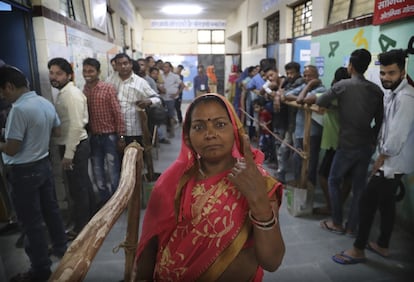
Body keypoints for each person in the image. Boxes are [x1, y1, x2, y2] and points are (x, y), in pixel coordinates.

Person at [132, 93, 285, 281]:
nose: (210, 134)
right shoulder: (172, 182)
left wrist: (259, 202)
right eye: (199, 127)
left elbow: (272, 261)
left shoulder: (256, 181)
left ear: (234, 129)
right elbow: (151, 243)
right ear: (188, 137)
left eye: (220, 124)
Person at [332, 49, 414, 264]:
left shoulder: (406, 98)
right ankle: (383, 245)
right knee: (387, 203)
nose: (386, 78)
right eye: (383, 73)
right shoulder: (393, 92)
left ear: (403, 72)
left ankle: (358, 249)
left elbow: (396, 139)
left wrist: (380, 158)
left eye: (392, 73)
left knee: (367, 202)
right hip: (391, 161)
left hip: (391, 163)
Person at [0, 65, 67, 282]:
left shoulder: (18, 109)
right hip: (43, 165)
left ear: (9, 87)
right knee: (51, 212)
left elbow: (12, 149)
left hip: (23, 173)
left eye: (1, 91)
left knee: (31, 223)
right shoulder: (43, 102)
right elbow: (56, 131)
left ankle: (40, 270)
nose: (1, 96)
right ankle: (61, 248)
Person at [317, 49, 384, 236]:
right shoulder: (376, 90)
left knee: (333, 180)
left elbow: (322, 100)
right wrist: (372, 139)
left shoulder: (343, 85)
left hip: (347, 143)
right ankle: (352, 226)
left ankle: (337, 222)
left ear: (350, 67)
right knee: (359, 187)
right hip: (367, 145)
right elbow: (380, 121)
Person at [48, 57, 96, 240]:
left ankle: (81, 228)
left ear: (69, 75)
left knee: (78, 189)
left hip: (74, 146)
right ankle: (90, 220)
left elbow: (76, 126)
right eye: (51, 73)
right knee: (83, 185)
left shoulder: (71, 95)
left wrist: (68, 155)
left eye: (59, 74)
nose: (54, 77)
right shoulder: (64, 92)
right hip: (73, 144)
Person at [302, 67, 352, 215]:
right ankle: (338, 206)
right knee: (347, 178)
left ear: (335, 82)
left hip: (335, 142)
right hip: (352, 141)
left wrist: (309, 86)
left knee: (325, 176)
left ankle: (332, 207)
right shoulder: (356, 96)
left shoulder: (332, 95)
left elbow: (302, 99)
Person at [82, 58, 126, 206]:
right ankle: (104, 199)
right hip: (94, 137)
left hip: (110, 137)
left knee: (113, 171)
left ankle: (116, 201)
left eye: (91, 71)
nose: (87, 74)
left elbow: (118, 113)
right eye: (85, 71)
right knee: (97, 171)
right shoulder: (84, 90)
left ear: (98, 72)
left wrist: (120, 136)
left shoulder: (108, 88)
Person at [106, 53, 160, 146]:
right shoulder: (110, 80)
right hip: (114, 128)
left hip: (133, 128)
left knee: (133, 157)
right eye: (119, 64)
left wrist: (148, 101)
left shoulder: (140, 82)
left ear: (130, 64)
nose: (123, 66)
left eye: (125, 63)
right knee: (116, 159)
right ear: (116, 66)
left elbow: (157, 98)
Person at [284, 65, 326, 186]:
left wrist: (308, 86)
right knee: (297, 159)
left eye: (310, 76)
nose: (307, 78)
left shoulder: (321, 90)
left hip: (312, 132)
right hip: (300, 131)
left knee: (311, 162)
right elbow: (287, 95)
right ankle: (298, 185)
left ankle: (309, 188)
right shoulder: (304, 87)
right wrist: (304, 90)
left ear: (317, 76)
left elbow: (303, 99)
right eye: (305, 75)